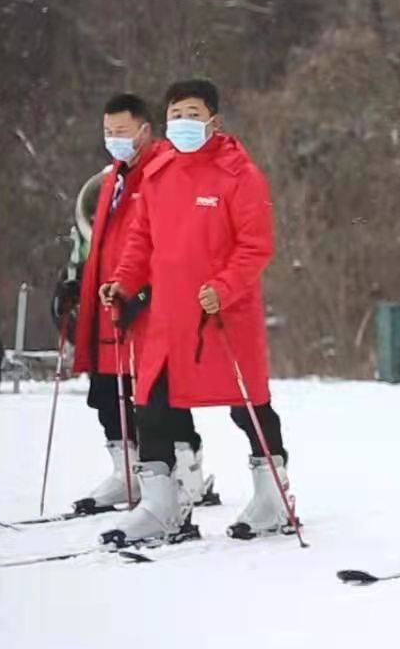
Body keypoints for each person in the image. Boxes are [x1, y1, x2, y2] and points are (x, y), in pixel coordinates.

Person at [99, 79, 294, 546]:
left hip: (222, 315)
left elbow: (256, 245)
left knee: (248, 404)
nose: (182, 123)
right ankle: (161, 505)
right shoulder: (158, 171)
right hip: (168, 318)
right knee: (151, 406)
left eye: (192, 114)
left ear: (214, 121)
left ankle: (273, 496)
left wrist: (223, 288)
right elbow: (141, 239)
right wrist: (122, 283)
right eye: (176, 115)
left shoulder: (240, 174)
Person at [63, 94, 214, 515]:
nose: (114, 139)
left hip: (154, 303)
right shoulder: (113, 178)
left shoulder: (163, 171)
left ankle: (185, 468)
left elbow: (171, 240)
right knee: (107, 389)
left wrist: (145, 291)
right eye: (108, 132)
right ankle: (125, 467)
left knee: (158, 393)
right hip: (111, 297)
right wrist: (78, 279)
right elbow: (99, 238)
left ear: (145, 130)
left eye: (122, 132)